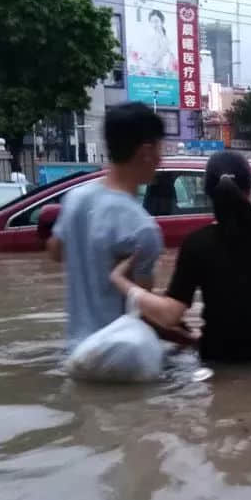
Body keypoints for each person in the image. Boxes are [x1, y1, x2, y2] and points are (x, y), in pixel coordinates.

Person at [110, 151, 251, 363]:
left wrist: (123, 283)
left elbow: (170, 315)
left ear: (209, 194)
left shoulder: (196, 244)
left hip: (218, 361)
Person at [47, 102, 164, 348]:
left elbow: (56, 251)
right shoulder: (142, 227)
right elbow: (143, 310)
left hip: (76, 351)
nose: (160, 160)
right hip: (121, 356)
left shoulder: (75, 200)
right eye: (159, 149)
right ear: (146, 152)